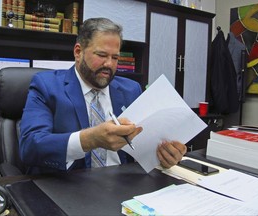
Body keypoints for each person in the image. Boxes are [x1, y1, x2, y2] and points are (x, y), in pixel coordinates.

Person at [19, 17, 187, 174]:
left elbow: (143, 148)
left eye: (115, 57)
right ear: (78, 52)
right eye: (101, 55)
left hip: (122, 185)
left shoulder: (131, 89)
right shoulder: (47, 85)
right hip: (67, 187)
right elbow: (30, 147)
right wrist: (90, 139)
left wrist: (163, 157)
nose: (109, 64)